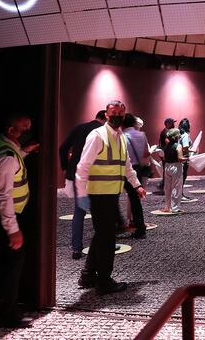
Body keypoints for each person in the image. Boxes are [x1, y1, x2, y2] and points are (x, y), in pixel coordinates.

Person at [76, 100, 147, 294]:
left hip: (111, 194)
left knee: (102, 234)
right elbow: (82, 167)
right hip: (98, 195)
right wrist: (81, 195)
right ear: (106, 115)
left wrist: (137, 185)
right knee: (107, 238)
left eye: (121, 114)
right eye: (113, 113)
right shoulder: (97, 136)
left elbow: (127, 166)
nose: (117, 116)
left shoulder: (121, 137)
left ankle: (88, 275)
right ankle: (104, 281)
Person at [0, 112, 39, 327]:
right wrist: (12, 229)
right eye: (24, 128)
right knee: (13, 263)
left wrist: (24, 151)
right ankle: (8, 314)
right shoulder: (7, 158)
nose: (28, 132)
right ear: (11, 130)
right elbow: (4, 195)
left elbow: (8, 161)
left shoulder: (0, 144)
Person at [59, 110, 106, 259]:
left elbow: (62, 148)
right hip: (94, 177)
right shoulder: (102, 132)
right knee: (100, 212)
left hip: (77, 175)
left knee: (79, 212)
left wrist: (66, 166)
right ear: (105, 118)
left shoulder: (79, 128)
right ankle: (103, 244)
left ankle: (76, 248)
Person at [122, 113, 149, 238]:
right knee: (135, 199)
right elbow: (146, 153)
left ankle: (123, 224)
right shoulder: (141, 134)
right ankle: (140, 227)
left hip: (124, 169)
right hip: (138, 168)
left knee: (113, 197)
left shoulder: (122, 136)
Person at [162, 128, 184, 213]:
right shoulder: (178, 146)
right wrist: (188, 158)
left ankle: (167, 207)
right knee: (176, 187)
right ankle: (175, 208)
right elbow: (180, 158)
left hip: (167, 166)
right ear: (176, 137)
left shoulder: (166, 146)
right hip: (176, 166)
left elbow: (164, 157)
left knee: (167, 188)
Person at [178, 118, 196, 202]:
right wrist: (193, 150)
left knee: (178, 178)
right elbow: (185, 148)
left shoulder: (178, 134)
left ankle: (178, 194)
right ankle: (180, 195)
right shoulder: (185, 135)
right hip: (184, 159)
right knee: (183, 177)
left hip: (178, 159)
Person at [156, 118, 176, 195]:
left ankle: (164, 185)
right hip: (166, 153)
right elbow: (167, 143)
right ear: (167, 123)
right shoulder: (165, 132)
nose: (173, 124)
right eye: (172, 123)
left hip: (165, 153)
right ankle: (164, 186)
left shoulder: (166, 131)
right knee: (167, 170)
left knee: (167, 170)